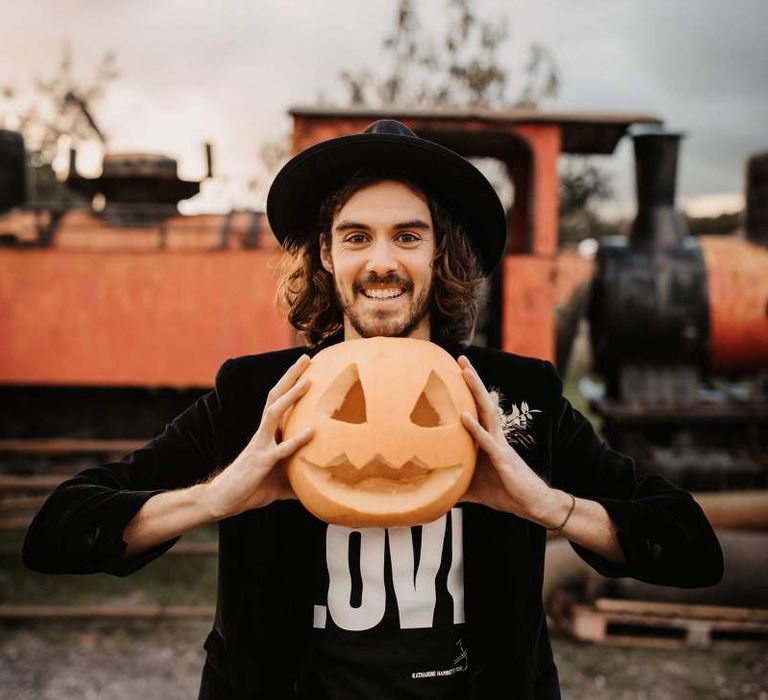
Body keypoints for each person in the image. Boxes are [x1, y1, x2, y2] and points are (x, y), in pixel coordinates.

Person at [23, 120, 723, 700]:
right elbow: (58, 532)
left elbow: (690, 547)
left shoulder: (518, 396)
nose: (381, 261)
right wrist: (214, 498)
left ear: (437, 253)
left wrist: (550, 507)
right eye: (356, 236)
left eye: (407, 236)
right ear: (325, 256)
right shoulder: (259, 397)